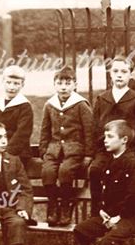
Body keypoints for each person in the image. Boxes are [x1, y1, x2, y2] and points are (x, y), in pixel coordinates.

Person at [89, 55, 135, 215]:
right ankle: (97, 212)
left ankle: (123, 214)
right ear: (110, 74)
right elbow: (94, 128)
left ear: (131, 75)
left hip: (127, 152)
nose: (119, 75)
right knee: (95, 170)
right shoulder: (102, 99)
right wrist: (96, 152)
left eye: (124, 71)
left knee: (125, 179)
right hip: (105, 150)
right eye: (115, 71)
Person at [38, 66, 94, 227]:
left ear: (75, 85)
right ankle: (53, 205)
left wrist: (88, 154)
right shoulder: (50, 105)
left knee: (65, 172)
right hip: (53, 150)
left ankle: (65, 206)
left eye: (68, 83)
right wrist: (43, 151)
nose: (63, 87)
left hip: (74, 151)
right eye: (60, 83)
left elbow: (89, 130)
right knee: (47, 172)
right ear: (54, 85)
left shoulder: (81, 105)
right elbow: (45, 130)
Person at [0, 65, 33, 168]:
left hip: (16, 152)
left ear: (22, 85)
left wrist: (6, 153)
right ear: (3, 82)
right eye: (8, 82)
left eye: (16, 83)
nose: (11, 87)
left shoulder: (24, 106)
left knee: (7, 169)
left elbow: (22, 134)